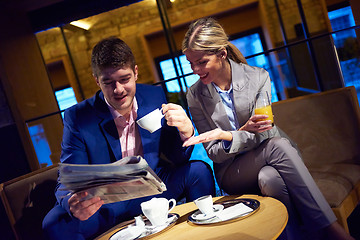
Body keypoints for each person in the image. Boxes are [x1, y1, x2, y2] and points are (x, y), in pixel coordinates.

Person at [181, 17, 353, 240]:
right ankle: (330, 229)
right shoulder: (195, 95)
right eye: (191, 64)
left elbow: (265, 131)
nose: (195, 70)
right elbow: (215, 153)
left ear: (222, 54)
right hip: (233, 172)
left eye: (201, 62)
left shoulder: (259, 77)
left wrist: (228, 135)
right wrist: (243, 132)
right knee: (278, 145)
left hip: (274, 160)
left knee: (270, 178)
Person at [42, 36, 215, 240]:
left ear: (135, 72)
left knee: (198, 171)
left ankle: (207, 233)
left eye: (124, 79)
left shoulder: (154, 96)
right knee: (54, 224)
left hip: (152, 186)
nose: (118, 90)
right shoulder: (78, 117)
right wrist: (71, 200)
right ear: (97, 81)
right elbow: (68, 176)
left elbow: (177, 158)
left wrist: (186, 133)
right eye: (108, 82)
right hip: (106, 201)